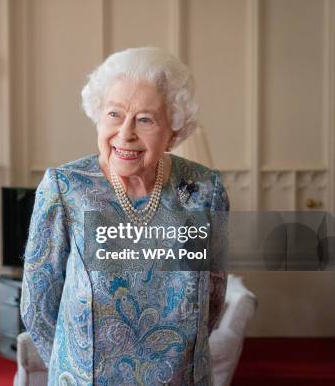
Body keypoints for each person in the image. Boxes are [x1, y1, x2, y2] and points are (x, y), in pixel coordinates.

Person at [20, 47, 229, 385]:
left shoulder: (205, 191)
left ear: (173, 131)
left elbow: (213, 302)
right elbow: (38, 306)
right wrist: (75, 367)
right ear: (98, 115)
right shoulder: (66, 188)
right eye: (115, 114)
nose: (126, 133)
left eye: (145, 119)